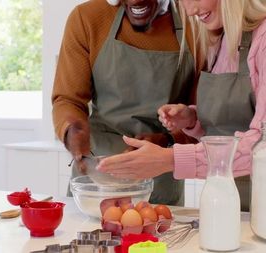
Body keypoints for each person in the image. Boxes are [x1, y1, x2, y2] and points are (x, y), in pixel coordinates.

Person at [97, 0, 266, 211]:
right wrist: (193, 119)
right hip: (228, 200)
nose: (189, 10)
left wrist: (170, 159)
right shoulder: (220, 39)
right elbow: (232, 124)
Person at [52, 0, 199, 205]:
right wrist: (72, 131)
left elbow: (199, 116)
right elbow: (68, 98)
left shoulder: (195, 21)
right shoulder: (88, 18)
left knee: (155, 235)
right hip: (96, 178)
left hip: (159, 183)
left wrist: (167, 140)